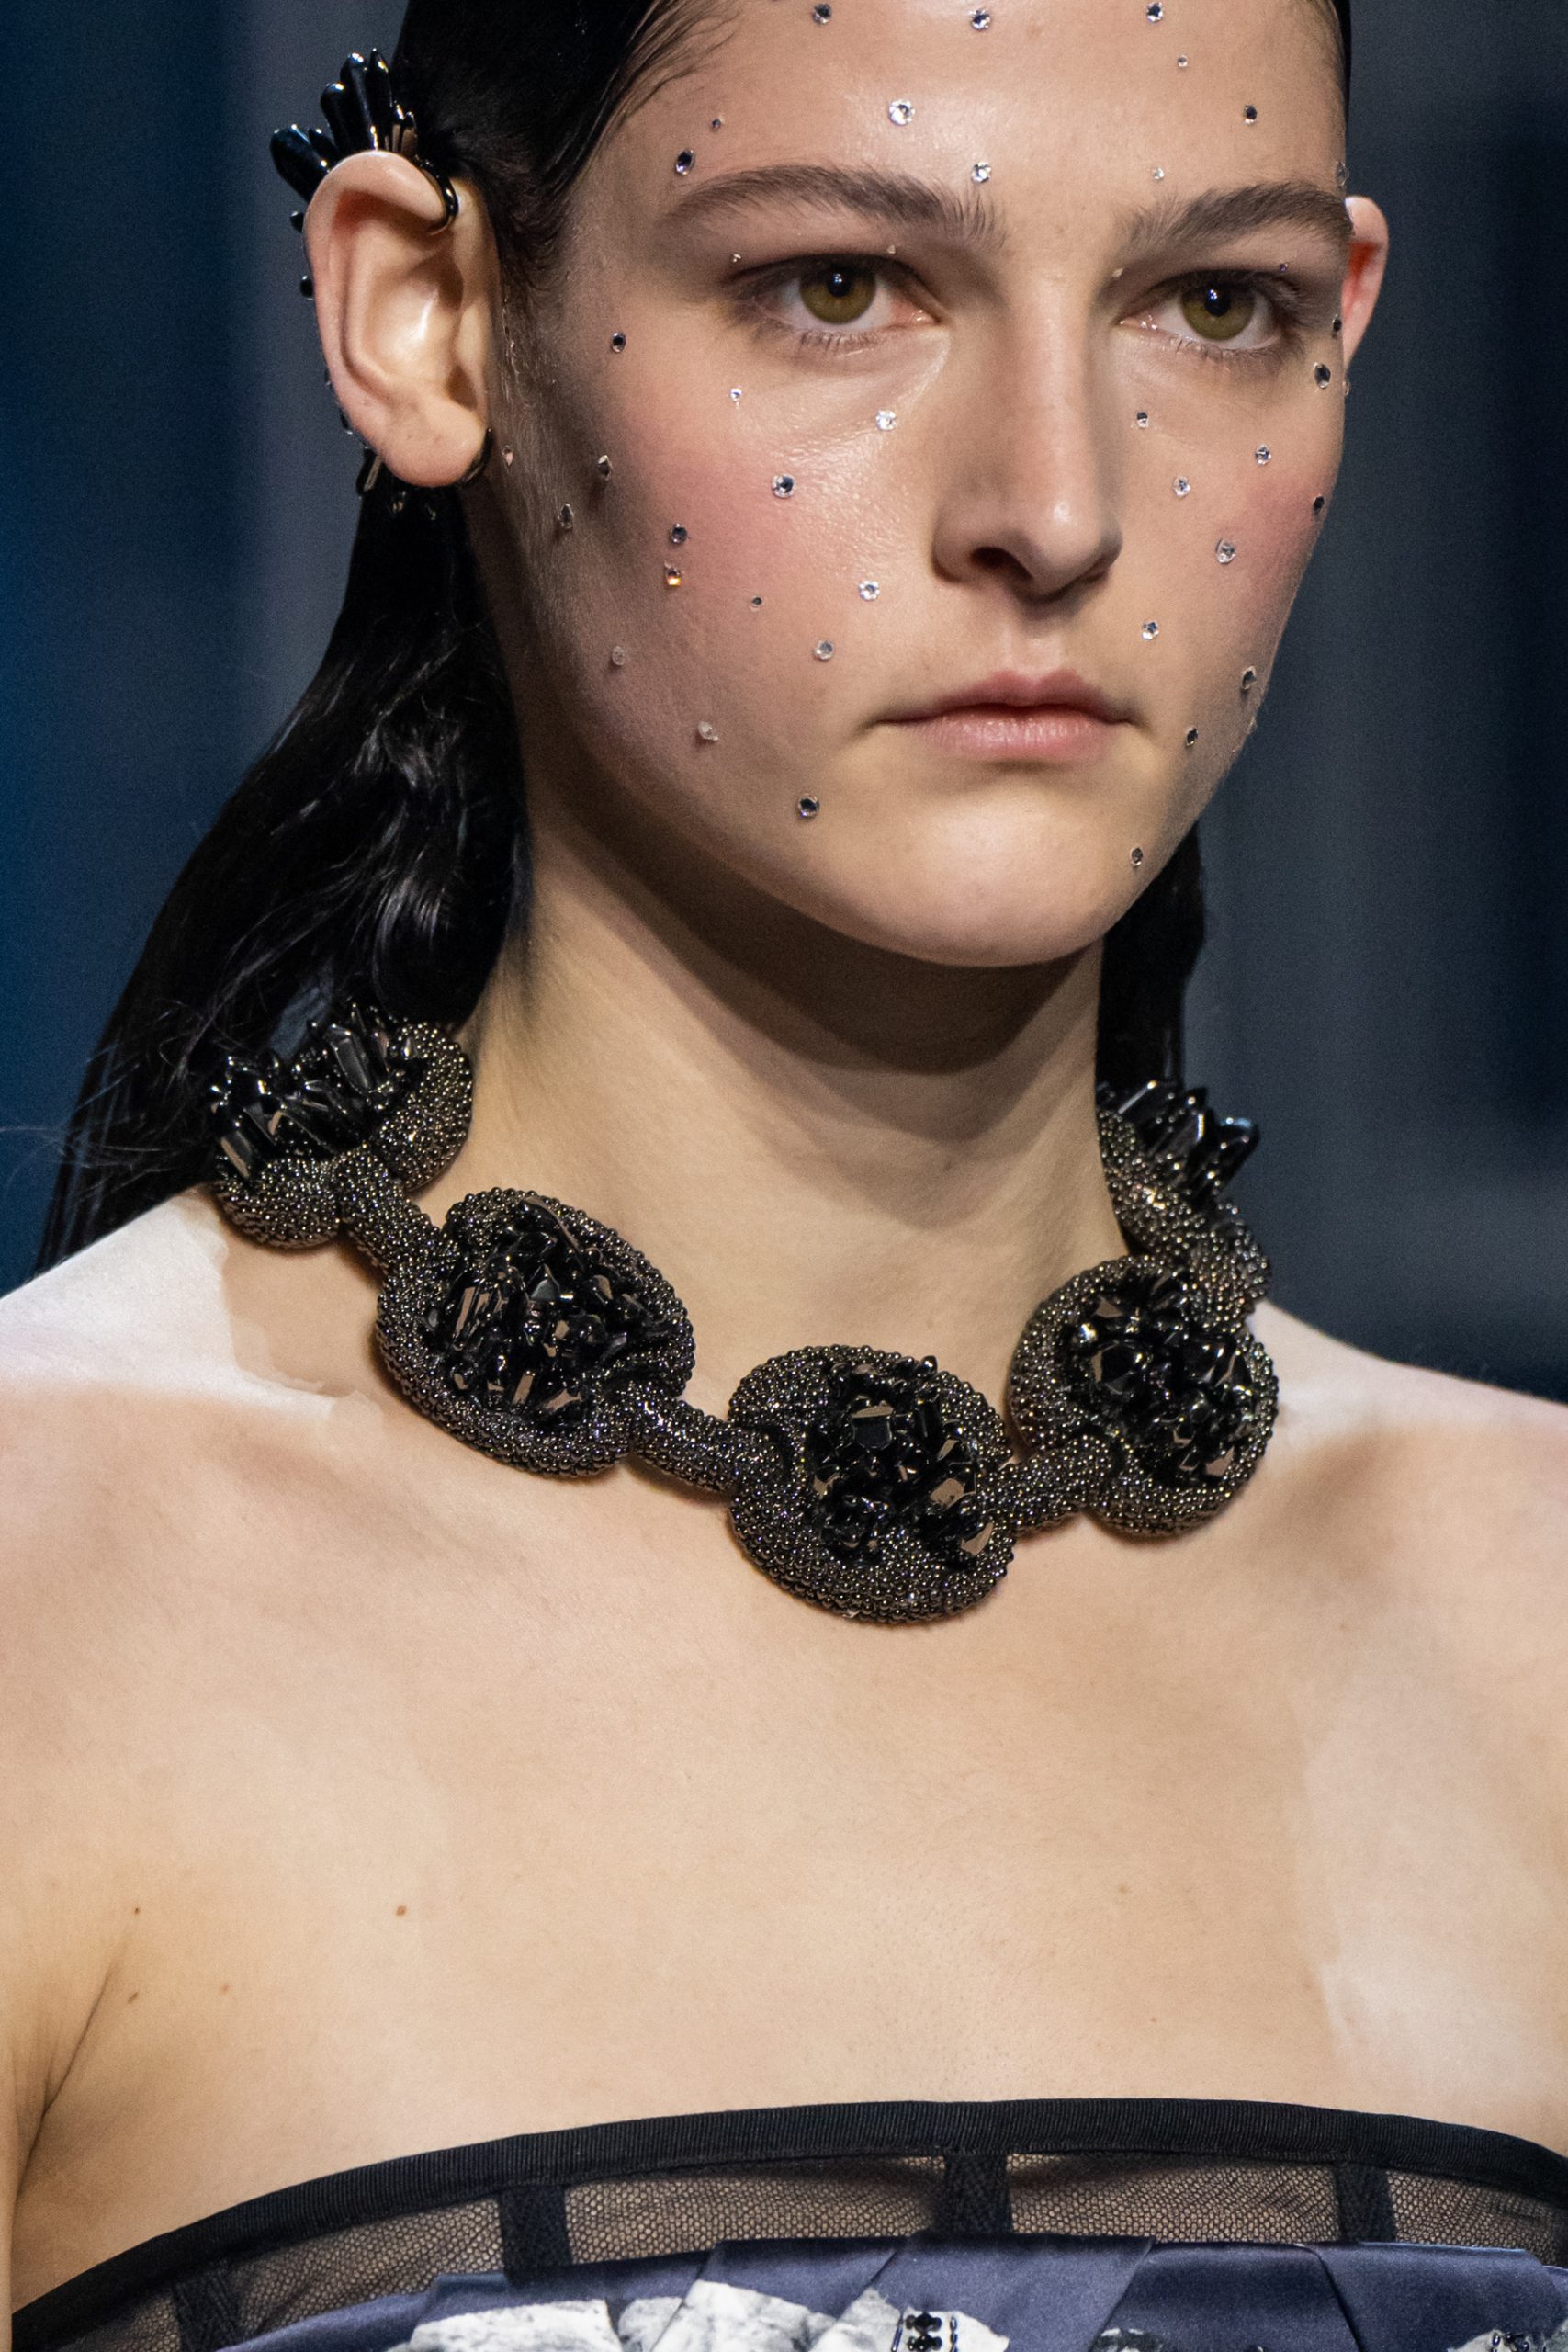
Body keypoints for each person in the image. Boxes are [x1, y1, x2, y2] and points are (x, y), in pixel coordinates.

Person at [4, 0, 1567, 2343]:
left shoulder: (1534, 1631)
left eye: (1206, 305)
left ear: (1344, 330)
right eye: (837, 287)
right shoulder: (52, 1611)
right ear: (424, 313)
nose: (1052, 505)